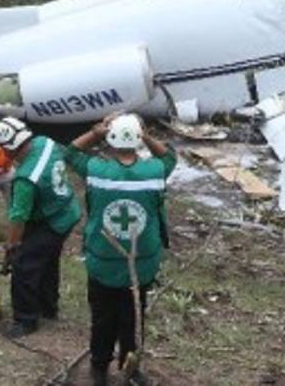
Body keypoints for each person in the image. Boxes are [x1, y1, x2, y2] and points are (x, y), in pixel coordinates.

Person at [68, 114, 176, 386]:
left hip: (102, 260)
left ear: (110, 139)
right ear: (138, 138)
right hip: (141, 264)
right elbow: (170, 157)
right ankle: (131, 369)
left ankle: (99, 368)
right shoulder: (154, 172)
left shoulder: (96, 170)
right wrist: (147, 135)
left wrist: (94, 132)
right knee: (133, 317)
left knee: (102, 318)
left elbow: (70, 152)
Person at [0, 116, 81, 337]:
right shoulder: (45, 142)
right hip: (66, 210)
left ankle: (26, 319)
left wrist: (13, 246)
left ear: (8, 149)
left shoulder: (26, 178)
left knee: (25, 265)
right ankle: (48, 307)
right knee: (48, 260)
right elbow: (68, 151)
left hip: (51, 220)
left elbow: (18, 216)